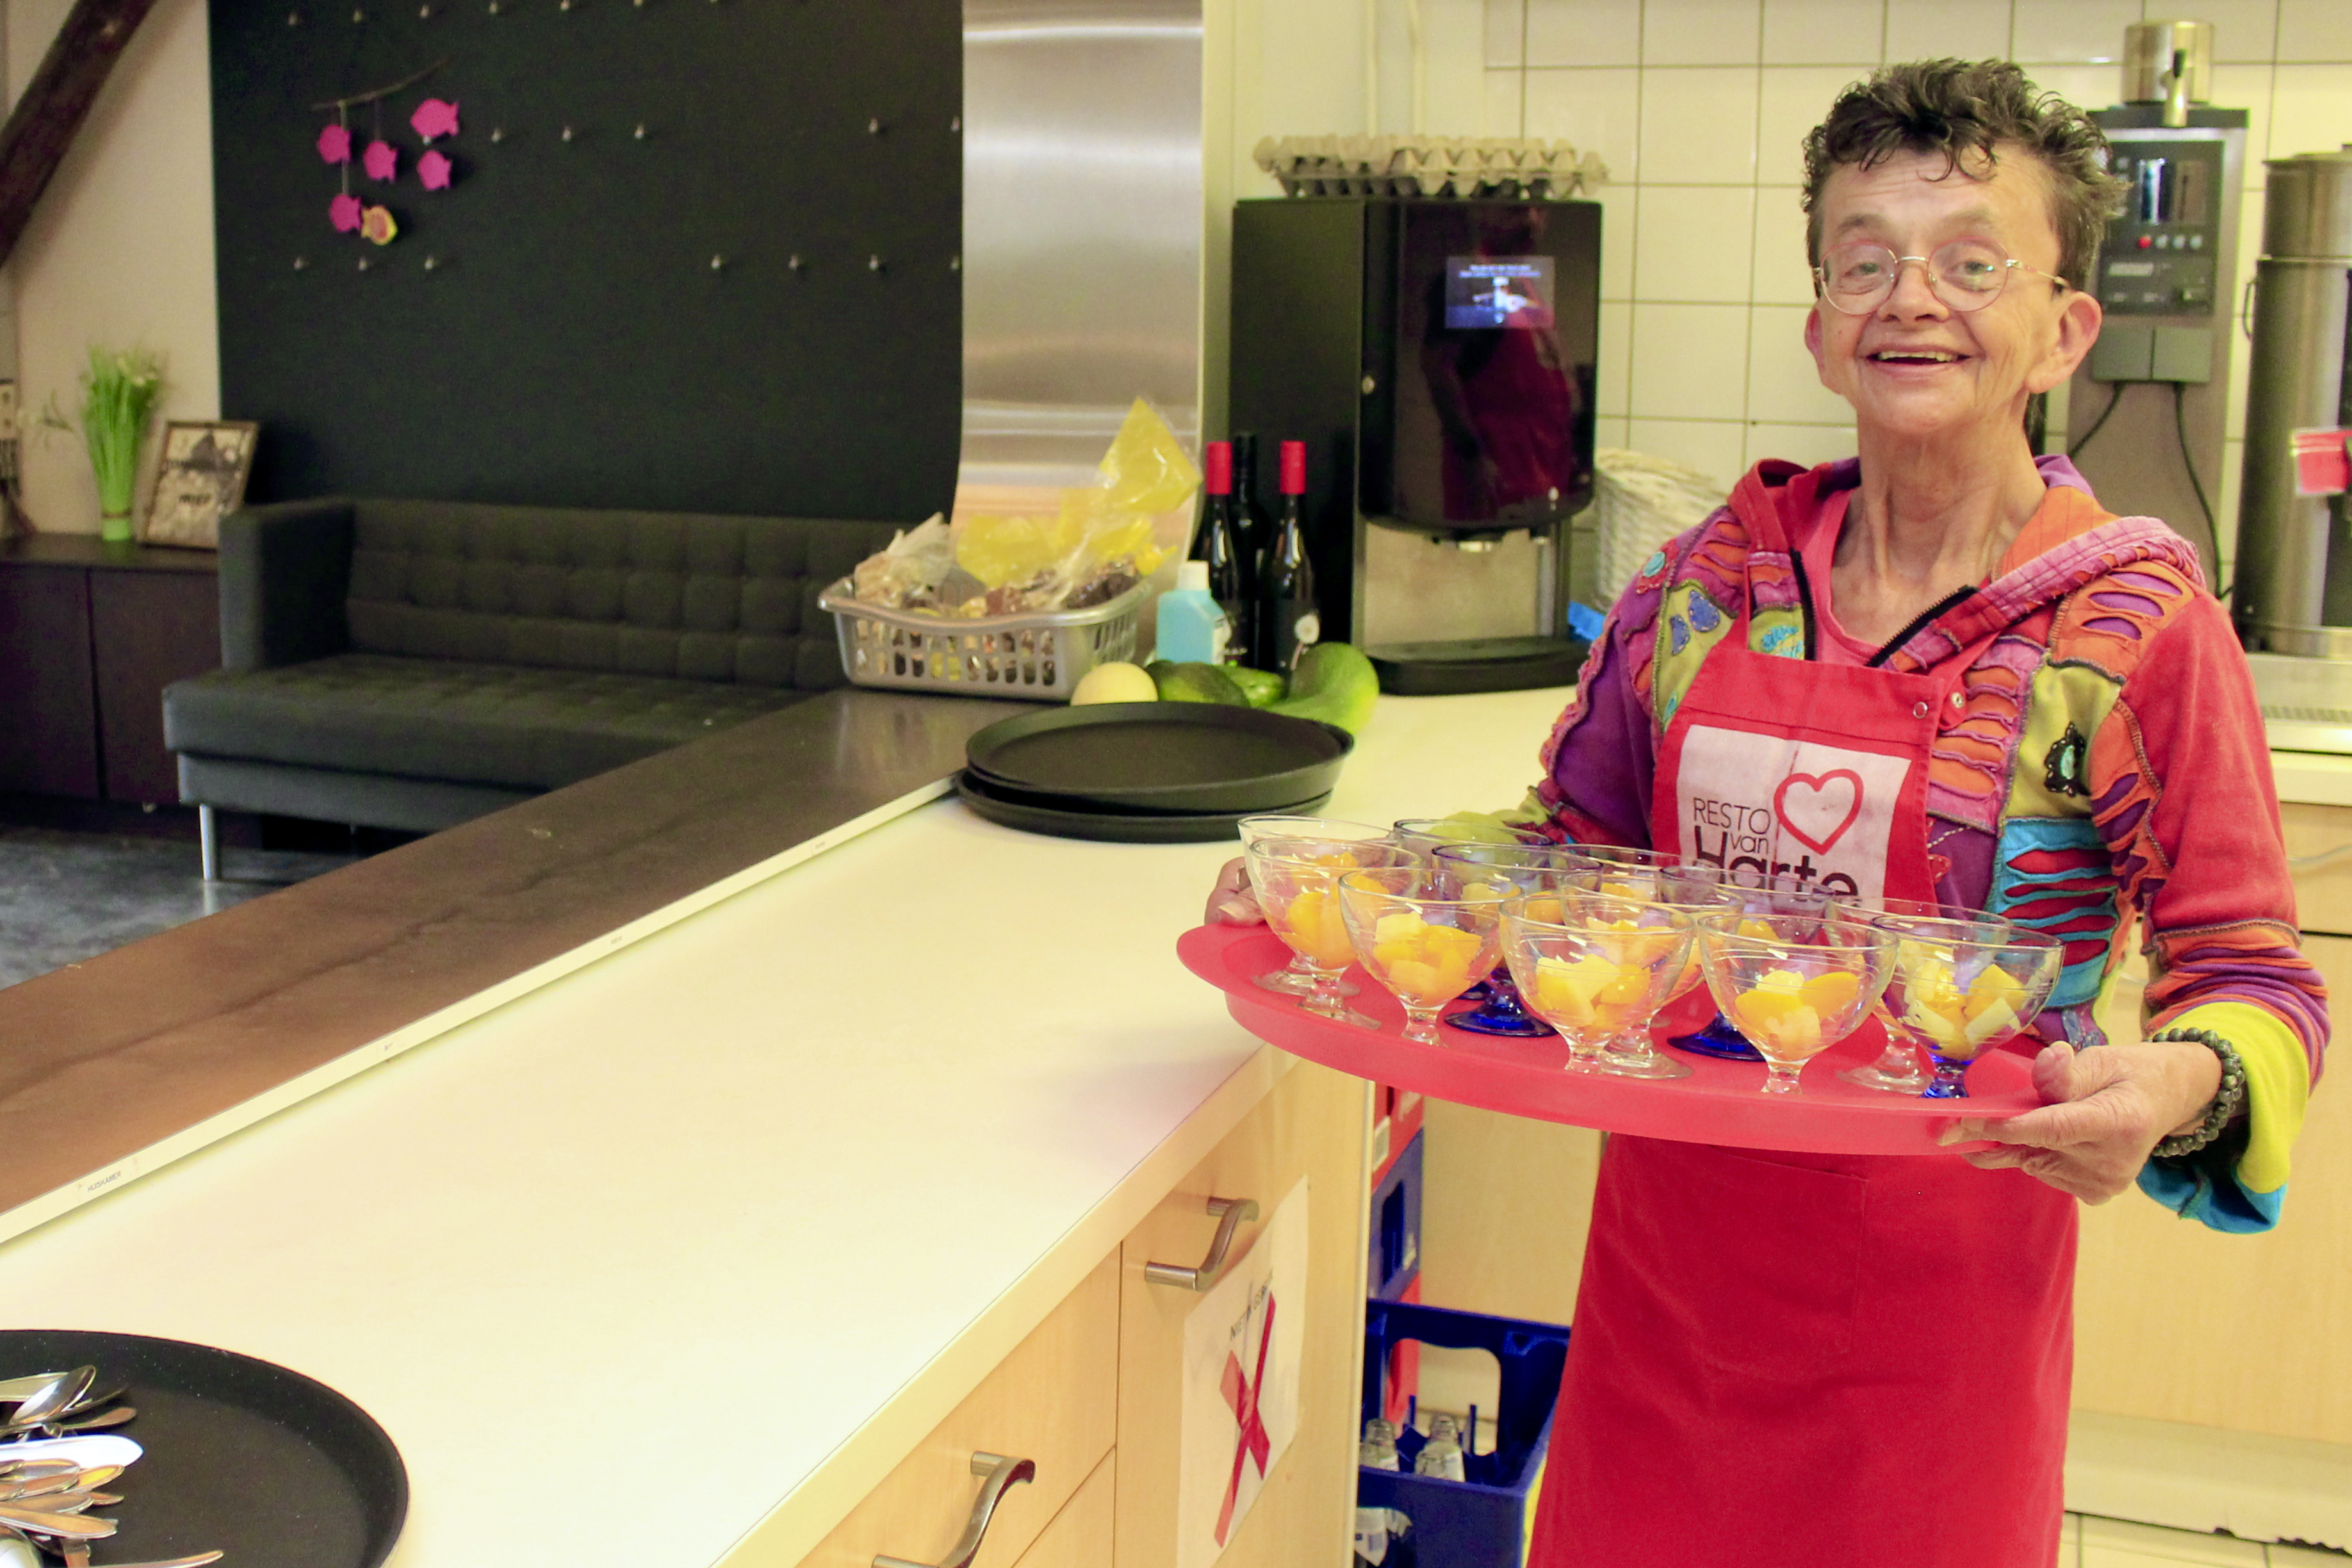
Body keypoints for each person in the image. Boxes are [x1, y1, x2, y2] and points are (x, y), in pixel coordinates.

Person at [1205, 60, 2326, 1566]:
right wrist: (1340, 890)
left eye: (1969, 261)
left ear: (2065, 328)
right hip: (1674, 1278)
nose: (1910, 299)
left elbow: (2253, 974)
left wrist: (2171, 1087)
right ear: (1818, 324)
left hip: (1948, 1309)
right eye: (1865, 260)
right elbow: (1568, 857)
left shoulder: (2135, 625)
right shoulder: (1705, 590)